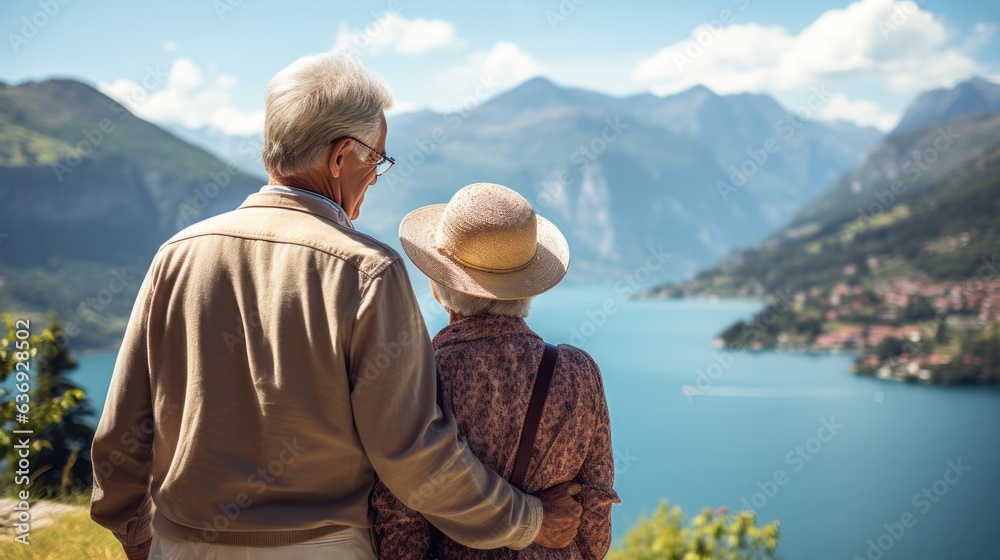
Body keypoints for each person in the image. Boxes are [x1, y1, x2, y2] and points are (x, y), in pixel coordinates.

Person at [89, 52, 582, 560]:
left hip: (181, 543)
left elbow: (123, 432)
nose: (376, 175)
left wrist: (137, 534)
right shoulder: (367, 272)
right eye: (379, 158)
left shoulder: (178, 256)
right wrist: (528, 521)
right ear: (342, 155)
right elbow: (411, 456)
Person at [373, 183, 620, 559]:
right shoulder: (578, 373)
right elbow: (595, 525)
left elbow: (399, 514)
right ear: (528, 285)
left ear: (441, 284)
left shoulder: (424, 374)